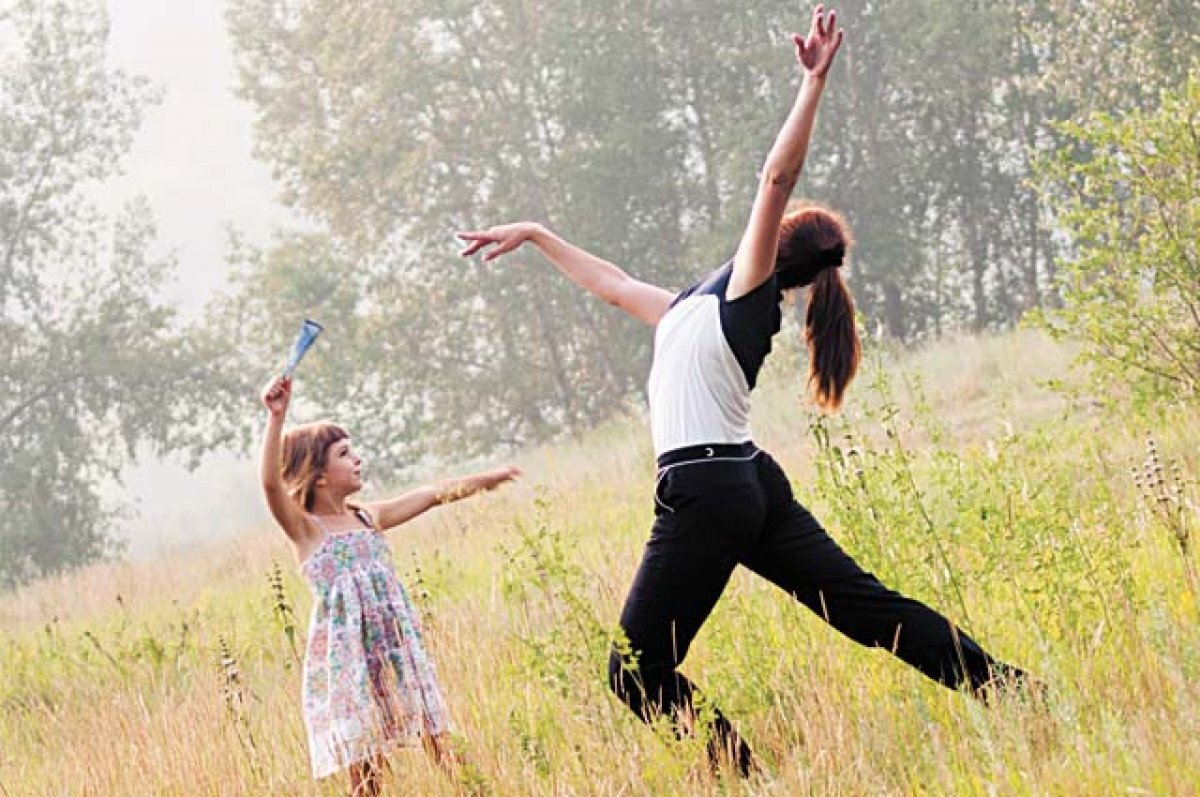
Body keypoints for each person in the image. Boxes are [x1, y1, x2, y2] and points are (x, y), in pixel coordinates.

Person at [457, 4, 1027, 777]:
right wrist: (533, 232)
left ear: (782, 243)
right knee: (859, 607)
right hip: (744, 480)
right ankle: (1011, 693)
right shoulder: (696, 305)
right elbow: (614, 284)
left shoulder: (748, 293)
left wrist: (812, 85)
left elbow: (775, 175)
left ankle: (747, 778)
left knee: (633, 669)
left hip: (707, 488)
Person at [258, 374, 519, 795]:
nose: (358, 459)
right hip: (350, 661)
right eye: (345, 454)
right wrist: (277, 417)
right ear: (320, 476)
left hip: (396, 648)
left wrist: (492, 478)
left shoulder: (368, 517)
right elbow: (271, 484)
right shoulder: (307, 531)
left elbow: (434, 494)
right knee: (367, 770)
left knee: (439, 738)